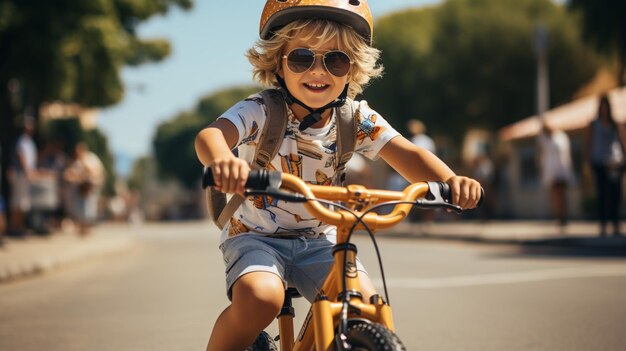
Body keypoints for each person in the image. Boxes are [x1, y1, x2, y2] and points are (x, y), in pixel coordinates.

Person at [194, 2, 482, 350]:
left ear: (351, 69)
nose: (319, 71)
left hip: (320, 240)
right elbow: (210, 136)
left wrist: (452, 181)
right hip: (257, 236)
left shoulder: (355, 119)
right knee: (261, 298)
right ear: (278, 63)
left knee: (362, 304)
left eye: (336, 60)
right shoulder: (261, 110)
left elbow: (409, 154)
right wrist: (224, 161)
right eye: (302, 58)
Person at [584, 94, 626, 236]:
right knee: (602, 195)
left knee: (616, 194)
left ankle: (616, 224)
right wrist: (587, 164)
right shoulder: (594, 124)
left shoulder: (616, 124)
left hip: (615, 162)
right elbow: (588, 144)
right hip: (599, 162)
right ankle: (603, 225)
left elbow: (623, 142)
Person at [537, 121, 575, 227]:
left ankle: (563, 216)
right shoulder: (545, 140)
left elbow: (565, 154)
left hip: (561, 170)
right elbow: (543, 156)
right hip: (552, 171)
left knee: (561, 195)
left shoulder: (560, 137)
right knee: (556, 196)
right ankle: (559, 216)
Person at [63, 143, 105, 236]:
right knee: (81, 207)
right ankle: (82, 227)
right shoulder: (78, 162)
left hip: (91, 187)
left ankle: (87, 227)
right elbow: (71, 174)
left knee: (89, 206)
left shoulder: (91, 158)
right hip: (81, 188)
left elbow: (96, 171)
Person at [7, 116, 38, 237]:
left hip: (26, 174)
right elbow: (21, 156)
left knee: (23, 203)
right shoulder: (22, 141)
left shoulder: (29, 141)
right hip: (20, 174)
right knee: (17, 202)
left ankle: (19, 227)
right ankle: (14, 227)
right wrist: (27, 172)